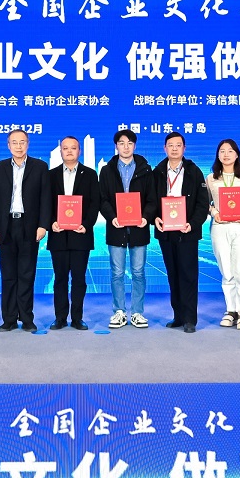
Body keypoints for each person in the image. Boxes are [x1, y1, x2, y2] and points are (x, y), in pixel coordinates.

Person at [0, 128, 50, 331]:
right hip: (6, 226)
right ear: (8, 145)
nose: (18, 146)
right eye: (14, 142)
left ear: (28, 144)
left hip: (29, 226)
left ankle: (26, 317)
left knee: (26, 274)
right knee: (8, 275)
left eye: (22, 142)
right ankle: (8, 319)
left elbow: (45, 198)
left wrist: (43, 225)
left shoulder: (40, 167)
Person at [150, 131, 210, 332]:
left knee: (188, 274)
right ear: (164, 148)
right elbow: (150, 200)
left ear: (184, 148)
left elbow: (202, 204)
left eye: (178, 145)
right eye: (171, 145)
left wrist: (192, 224)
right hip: (166, 231)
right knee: (173, 274)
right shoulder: (157, 172)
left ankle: (190, 319)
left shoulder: (194, 171)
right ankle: (178, 316)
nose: (174, 149)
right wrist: (154, 218)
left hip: (187, 231)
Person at [99, 128, 155, 329]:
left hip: (139, 228)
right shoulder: (107, 170)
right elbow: (102, 199)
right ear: (116, 146)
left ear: (135, 146)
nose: (126, 147)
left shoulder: (146, 170)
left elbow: (152, 199)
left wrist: (146, 217)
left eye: (130, 143)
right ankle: (119, 312)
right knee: (117, 272)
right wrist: (112, 217)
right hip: (116, 228)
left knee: (138, 272)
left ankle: (137, 312)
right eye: (122, 143)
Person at [46, 135, 100, 330]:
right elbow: (45, 203)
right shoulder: (50, 175)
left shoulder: (90, 174)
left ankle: (77, 318)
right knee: (59, 278)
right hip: (58, 234)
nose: (69, 151)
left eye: (73, 148)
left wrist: (86, 224)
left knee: (79, 279)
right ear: (61, 151)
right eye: (65, 148)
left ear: (80, 151)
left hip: (81, 234)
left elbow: (95, 202)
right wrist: (51, 222)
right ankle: (60, 317)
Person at [207, 139, 240, 329]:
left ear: (237, 154)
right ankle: (231, 310)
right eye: (222, 151)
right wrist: (214, 213)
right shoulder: (211, 178)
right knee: (227, 271)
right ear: (218, 155)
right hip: (220, 227)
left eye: (230, 151)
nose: (226, 154)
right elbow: (205, 202)